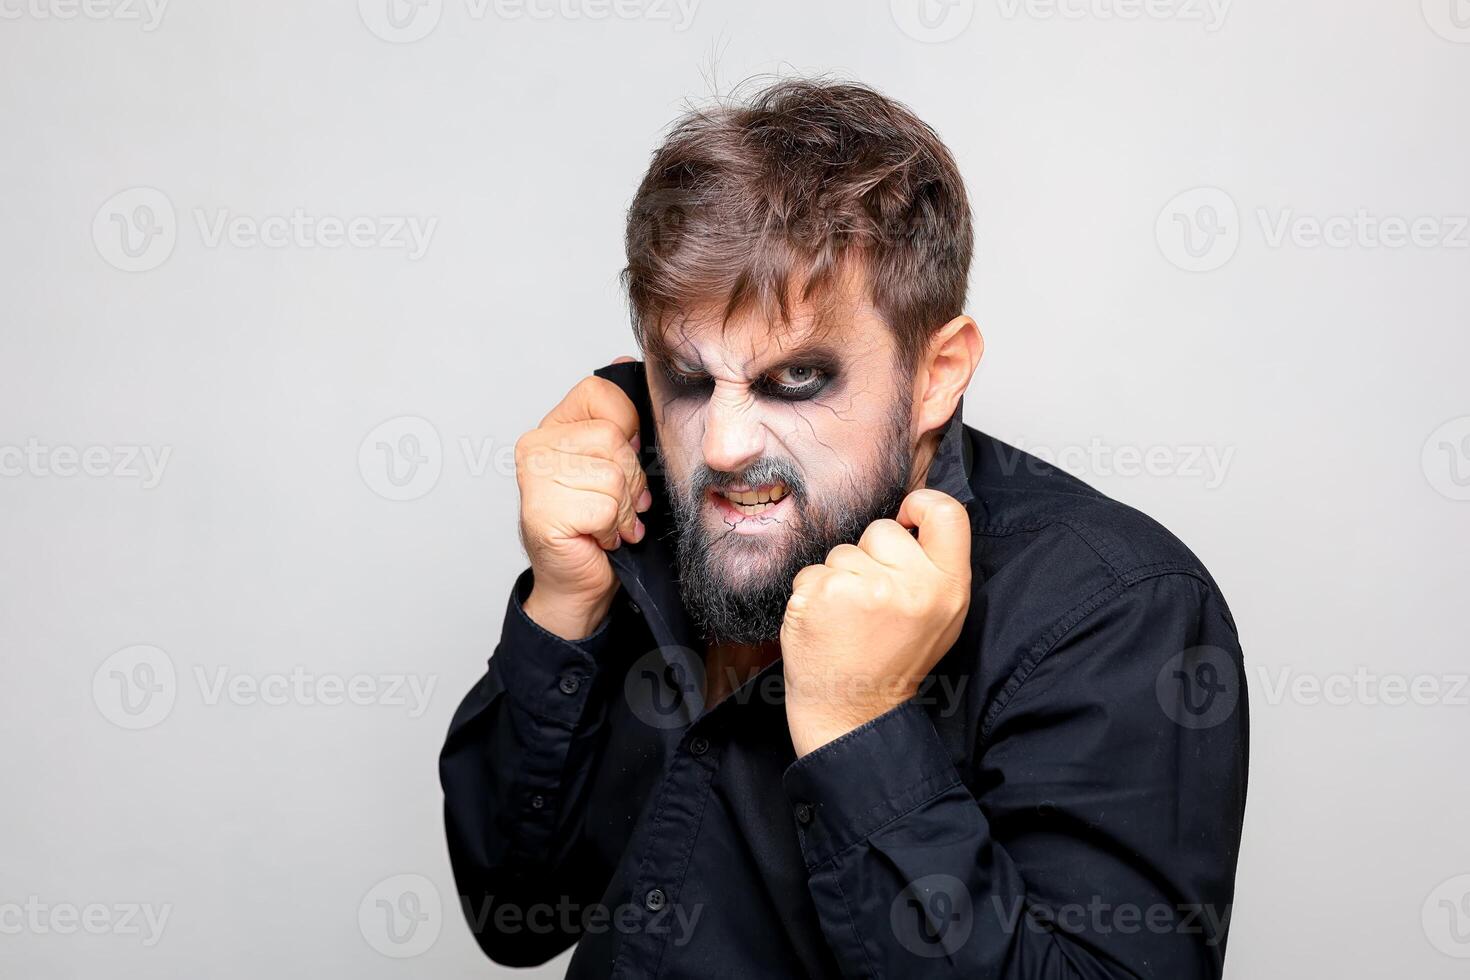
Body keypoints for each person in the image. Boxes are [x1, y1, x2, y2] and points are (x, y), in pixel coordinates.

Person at [440, 78, 1248, 978]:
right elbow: (510, 915)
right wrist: (564, 603)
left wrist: (859, 725)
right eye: (690, 379)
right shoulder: (641, 511)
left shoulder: (1112, 610)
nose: (725, 445)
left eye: (795, 382)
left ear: (938, 372)